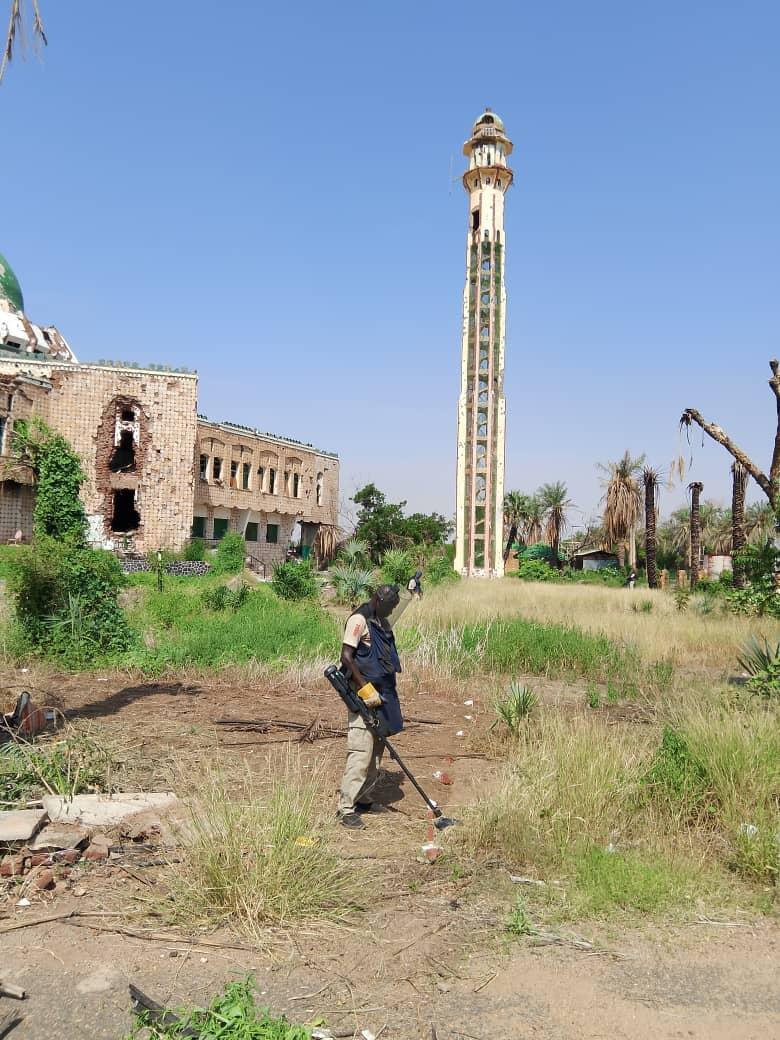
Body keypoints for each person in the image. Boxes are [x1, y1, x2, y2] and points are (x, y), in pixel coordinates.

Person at [337, 584, 403, 829]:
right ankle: (346, 808)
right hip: (363, 695)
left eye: (393, 608)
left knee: (377, 749)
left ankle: (364, 798)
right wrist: (365, 689)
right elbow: (346, 657)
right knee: (361, 751)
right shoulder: (359, 620)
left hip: (383, 694)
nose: (390, 611)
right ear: (378, 599)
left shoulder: (381, 621)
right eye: (388, 606)